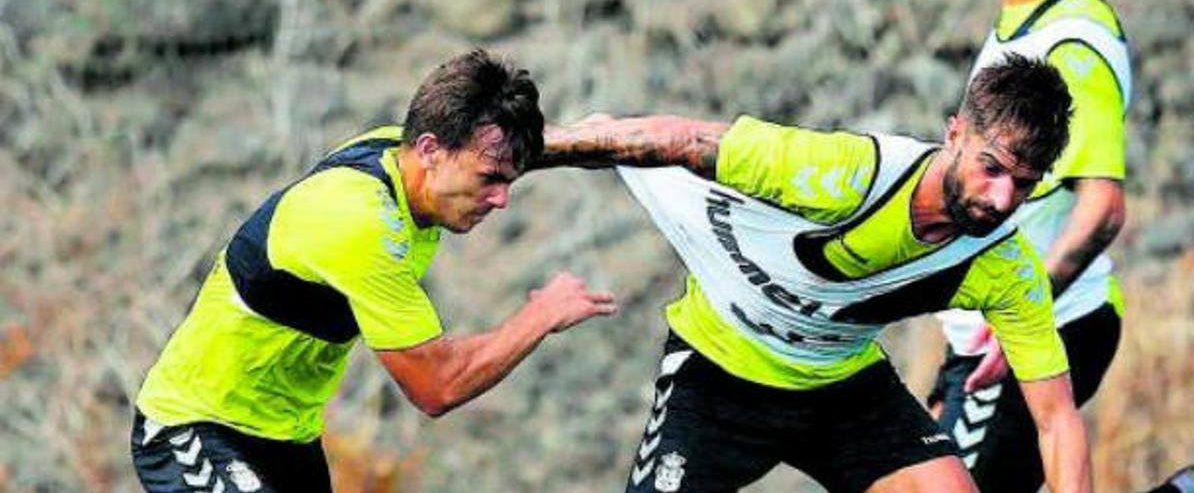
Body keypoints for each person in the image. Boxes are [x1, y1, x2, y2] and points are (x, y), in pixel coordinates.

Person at [534, 54, 1091, 492]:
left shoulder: (1006, 267)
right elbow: (682, 142)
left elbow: (1057, 421)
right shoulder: (847, 175)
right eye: (990, 168)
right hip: (719, 372)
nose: (999, 198)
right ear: (954, 133)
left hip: (841, 390)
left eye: (1024, 184)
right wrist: (523, 151)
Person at [130, 49, 617, 492]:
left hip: (285, 439)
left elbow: (506, 151)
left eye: (509, 179)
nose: (502, 199)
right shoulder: (358, 225)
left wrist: (607, 138)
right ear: (429, 150)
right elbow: (437, 386)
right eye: (490, 180)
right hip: (193, 425)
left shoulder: (405, 152)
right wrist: (541, 315)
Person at [926, 0, 1136, 491]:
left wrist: (1026, 311)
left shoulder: (1074, 42)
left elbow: (1103, 207)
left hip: (1048, 323)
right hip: (983, 334)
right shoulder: (1024, 24)